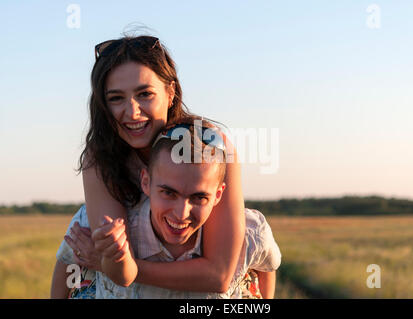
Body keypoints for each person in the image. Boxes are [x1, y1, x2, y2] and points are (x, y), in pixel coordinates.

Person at [50, 35, 245, 298]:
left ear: (171, 91)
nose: (132, 112)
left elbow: (219, 275)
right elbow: (116, 266)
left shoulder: (213, 148)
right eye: (116, 98)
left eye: (145, 94)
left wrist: (120, 266)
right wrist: (112, 262)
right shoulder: (100, 159)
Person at [54, 120, 281, 298]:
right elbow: (67, 262)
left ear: (218, 195)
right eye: (168, 193)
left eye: (199, 197)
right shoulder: (105, 224)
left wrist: (116, 267)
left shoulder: (250, 233)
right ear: (146, 182)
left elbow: (266, 266)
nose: (181, 213)